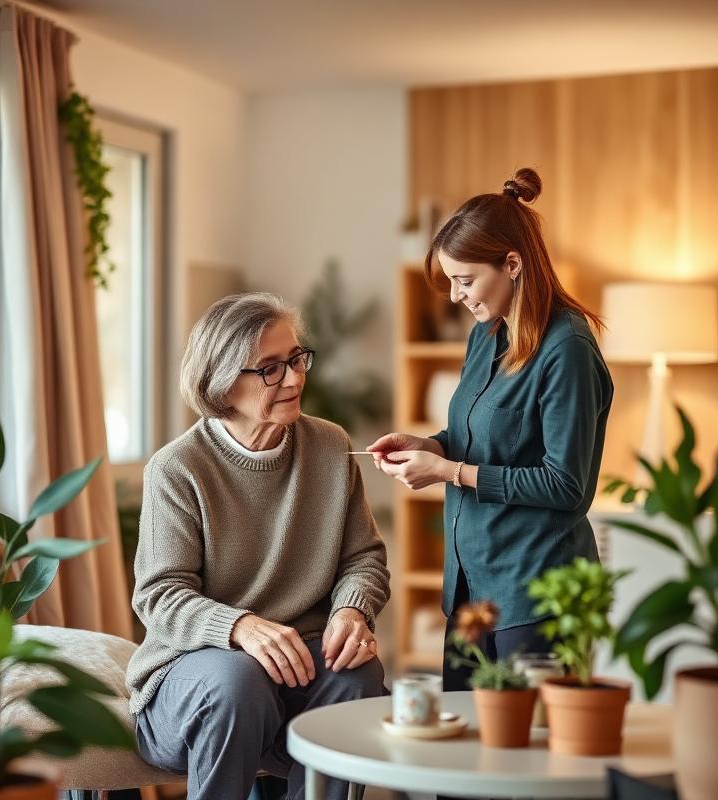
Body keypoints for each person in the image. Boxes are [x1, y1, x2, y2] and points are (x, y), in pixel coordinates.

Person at [127, 292, 390, 800]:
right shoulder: (177, 470)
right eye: (270, 368)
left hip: (299, 669)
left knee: (359, 676)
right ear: (223, 381)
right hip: (194, 679)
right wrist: (240, 627)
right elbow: (159, 595)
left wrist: (353, 612)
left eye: (296, 358)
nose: (294, 378)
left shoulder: (331, 447)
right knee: (239, 680)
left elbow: (364, 558)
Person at [368, 167, 612, 691]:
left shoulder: (566, 349)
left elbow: (565, 486)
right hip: (471, 592)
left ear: (513, 263)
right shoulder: (486, 335)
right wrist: (429, 445)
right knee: (466, 755)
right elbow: (481, 435)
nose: (456, 297)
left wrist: (450, 471)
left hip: (534, 596)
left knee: (526, 761)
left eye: (465, 280)